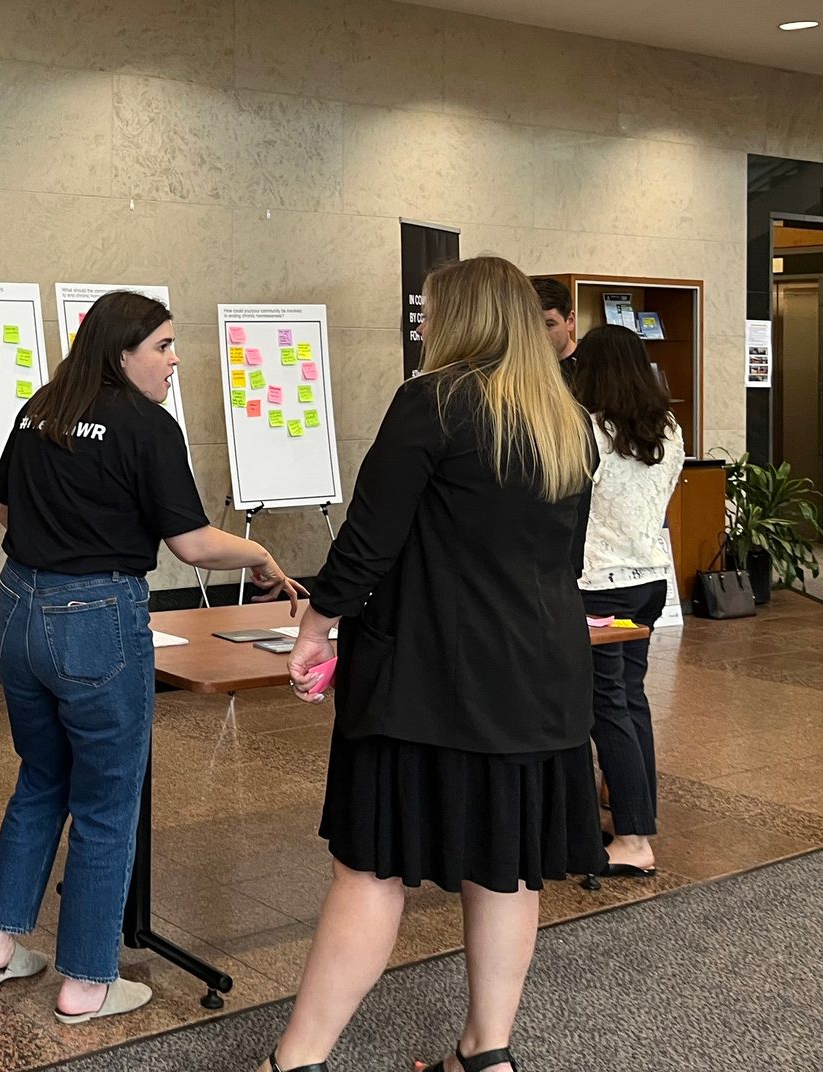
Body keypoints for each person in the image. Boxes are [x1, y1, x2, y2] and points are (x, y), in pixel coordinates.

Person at [257, 256, 601, 1072]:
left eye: (430, 313)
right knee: (508, 867)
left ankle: (297, 1063)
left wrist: (315, 628)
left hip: (429, 679)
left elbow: (368, 545)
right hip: (541, 676)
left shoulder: (434, 402)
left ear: (459, 318)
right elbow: (563, 555)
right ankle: (488, 1053)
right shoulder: (567, 421)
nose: (423, 326)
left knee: (373, 871)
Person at [0, 291, 304, 1024]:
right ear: (122, 352)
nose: (175, 360)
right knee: (106, 798)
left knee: (40, 779)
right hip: (95, 618)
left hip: (18, 611)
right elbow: (192, 543)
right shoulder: (147, 427)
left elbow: (5, 511)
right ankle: (88, 980)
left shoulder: (41, 408)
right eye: (163, 346)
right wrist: (264, 552)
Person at [573, 324, 684, 879]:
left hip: (598, 582)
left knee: (606, 705)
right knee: (629, 700)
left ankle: (635, 839)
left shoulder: (587, 430)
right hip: (650, 580)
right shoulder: (667, 428)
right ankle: (633, 820)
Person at [532, 276, 578, 378]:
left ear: (570, 321)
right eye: (533, 326)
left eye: (549, 325)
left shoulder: (587, 371)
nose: (541, 334)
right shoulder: (524, 368)